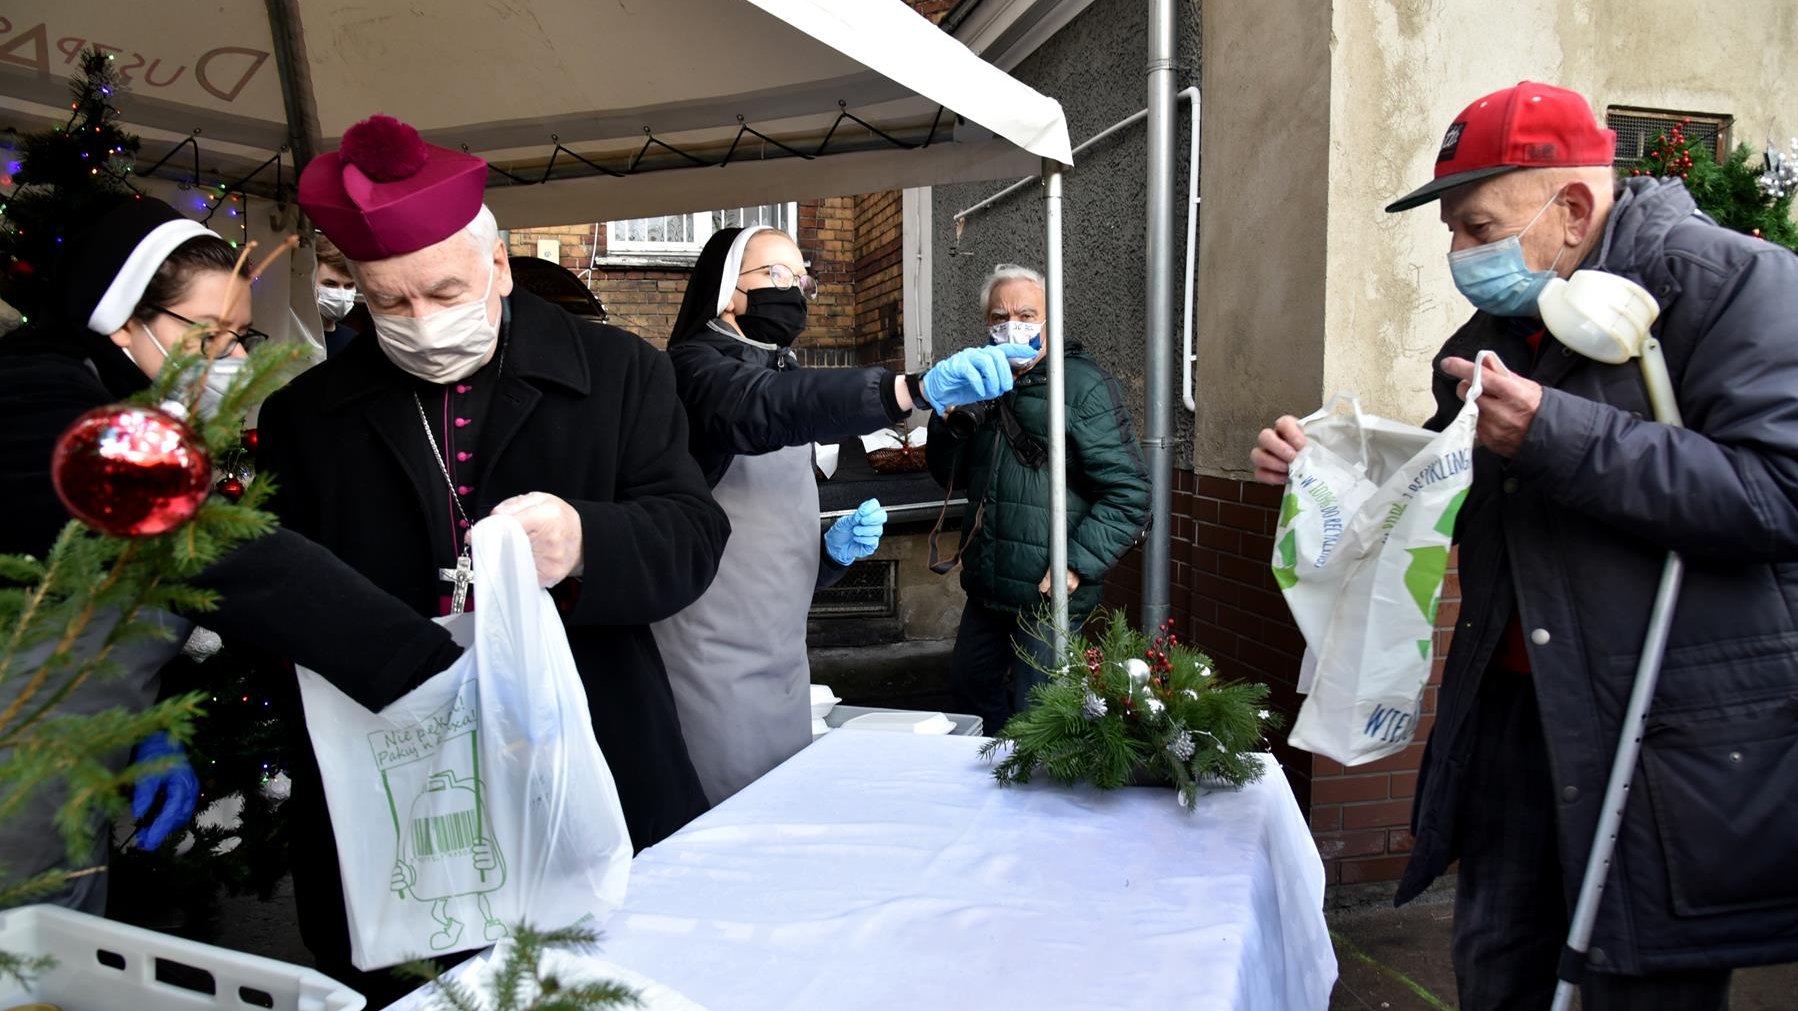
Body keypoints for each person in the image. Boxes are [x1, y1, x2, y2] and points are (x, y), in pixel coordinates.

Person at [1251, 82, 1798, 1009]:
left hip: (1661, 730)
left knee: (1641, 980)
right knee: (1498, 966)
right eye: (1455, 231)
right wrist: (1325, 471)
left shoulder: (1733, 284)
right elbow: (1444, 493)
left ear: (1573, 208)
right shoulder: (1504, 327)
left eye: (1476, 225)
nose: (1459, 253)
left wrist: (1554, 432)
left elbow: (1777, 492)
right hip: (1514, 716)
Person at [256, 114, 729, 999]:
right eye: (389, 303)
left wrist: (586, 538)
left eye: (443, 293)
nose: (421, 322)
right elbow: (280, 588)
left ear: (500, 267)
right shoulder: (305, 416)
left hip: (598, 749)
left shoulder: (621, 371)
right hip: (404, 788)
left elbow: (693, 539)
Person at [0, 195, 464, 914]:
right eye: (211, 333)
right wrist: (431, 667)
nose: (236, 359)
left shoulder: (132, 408)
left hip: (66, 765)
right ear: (123, 319)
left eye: (243, 336)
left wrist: (149, 724)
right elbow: (220, 551)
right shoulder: (41, 400)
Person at [657, 225, 1037, 804]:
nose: (795, 290)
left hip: (783, 659)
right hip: (707, 662)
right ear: (727, 292)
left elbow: (757, 529)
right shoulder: (695, 371)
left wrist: (825, 556)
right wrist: (907, 390)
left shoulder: (775, 371)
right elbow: (761, 409)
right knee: (724, 819)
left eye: (800, 276)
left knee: (779, 810)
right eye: (775, 275)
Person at [926, 263, 1150, 736]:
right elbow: (949, 475)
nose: (1012, 324)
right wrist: (944, 422)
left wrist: (1076, 562)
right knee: (968, 698)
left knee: (1041, 717)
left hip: (1051, 594)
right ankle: (989, 795)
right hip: (988, 586)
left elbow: (1130, 495)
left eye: (1027, 314)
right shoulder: (980, 381)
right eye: (998, 317)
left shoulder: (1082, 386)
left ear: (1051, 321)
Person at [312, 232, 361, 358]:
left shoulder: (354, 342)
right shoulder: (290, 336)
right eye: (330, 284)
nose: (341, 294)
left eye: (349, 286)